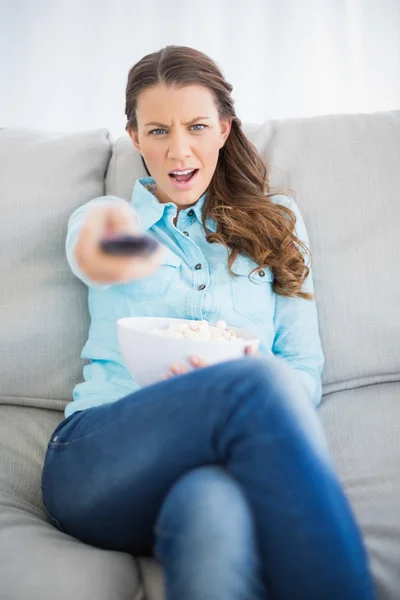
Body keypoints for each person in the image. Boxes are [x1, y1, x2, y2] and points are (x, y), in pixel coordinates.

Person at [41, 45, 377, 600]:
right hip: (98, 461)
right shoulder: (113, 219)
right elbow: (93, 248)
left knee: (212, 508)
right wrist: (123, 252)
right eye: (157, 131)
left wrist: (238, 388)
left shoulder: (277, 223)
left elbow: (302, 367)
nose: (178, 151)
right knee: (255, 380)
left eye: (197, 126)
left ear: (223, 129)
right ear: (135, 139)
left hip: (212, 467)